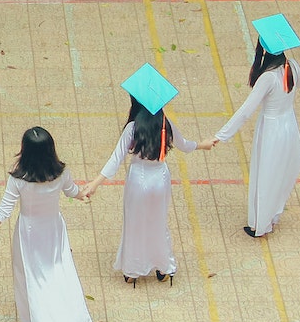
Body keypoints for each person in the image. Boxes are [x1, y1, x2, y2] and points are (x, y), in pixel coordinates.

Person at [80, 65, 215, 283]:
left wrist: (94, 184)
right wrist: (203, 144)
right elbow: (185, 145)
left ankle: (133, 270)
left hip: (138, 180)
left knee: (135, 222)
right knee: (158, 221)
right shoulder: (166, 124)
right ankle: (164, 266)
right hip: (161, 178)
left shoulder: (133, 128)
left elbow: (116, 158)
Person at [0, 127, 95, 322]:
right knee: (57, 271)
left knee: (25, 277)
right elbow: (72, 191)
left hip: (28, 233)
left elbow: (3, 211)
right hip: (54, 230)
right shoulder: (61, 172)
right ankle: (62, 314)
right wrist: (83, 194)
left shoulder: (19, 177)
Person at [215, 14, 300, 238]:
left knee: (265, 175)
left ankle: (261, 224)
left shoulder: (267, 78)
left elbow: (246, 110)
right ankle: (272, 215)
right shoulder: (292, 66)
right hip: (289, 126)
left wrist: (222, 135)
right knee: (280, 173)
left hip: (271, 129)